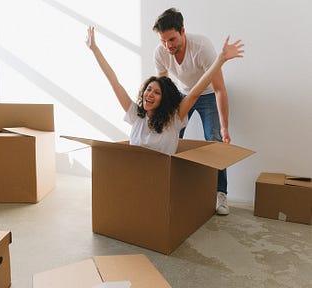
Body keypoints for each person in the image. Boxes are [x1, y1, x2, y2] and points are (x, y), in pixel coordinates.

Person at [85, 26, 243, 160]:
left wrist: (220, 59)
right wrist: (95, 49)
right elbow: (114, 81)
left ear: (164, 99)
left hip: (162, 179)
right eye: (148, 89)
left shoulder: (173, 119)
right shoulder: (136, 115)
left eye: (156, 92)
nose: (149, 94)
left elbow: (196, 91)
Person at [153, 8, 233, 215]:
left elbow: (219, 89)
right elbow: (164, 88)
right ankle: (167, 188)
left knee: (214, 140)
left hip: (207, 94)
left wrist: (224, 128)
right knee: (170, 138)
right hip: (181, 94)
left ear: (182, 31)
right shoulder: (160, 52)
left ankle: (220, 194)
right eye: (163, 41)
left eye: (172, 39)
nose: (167, 46)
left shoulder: (202, 47)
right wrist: (162, 122)